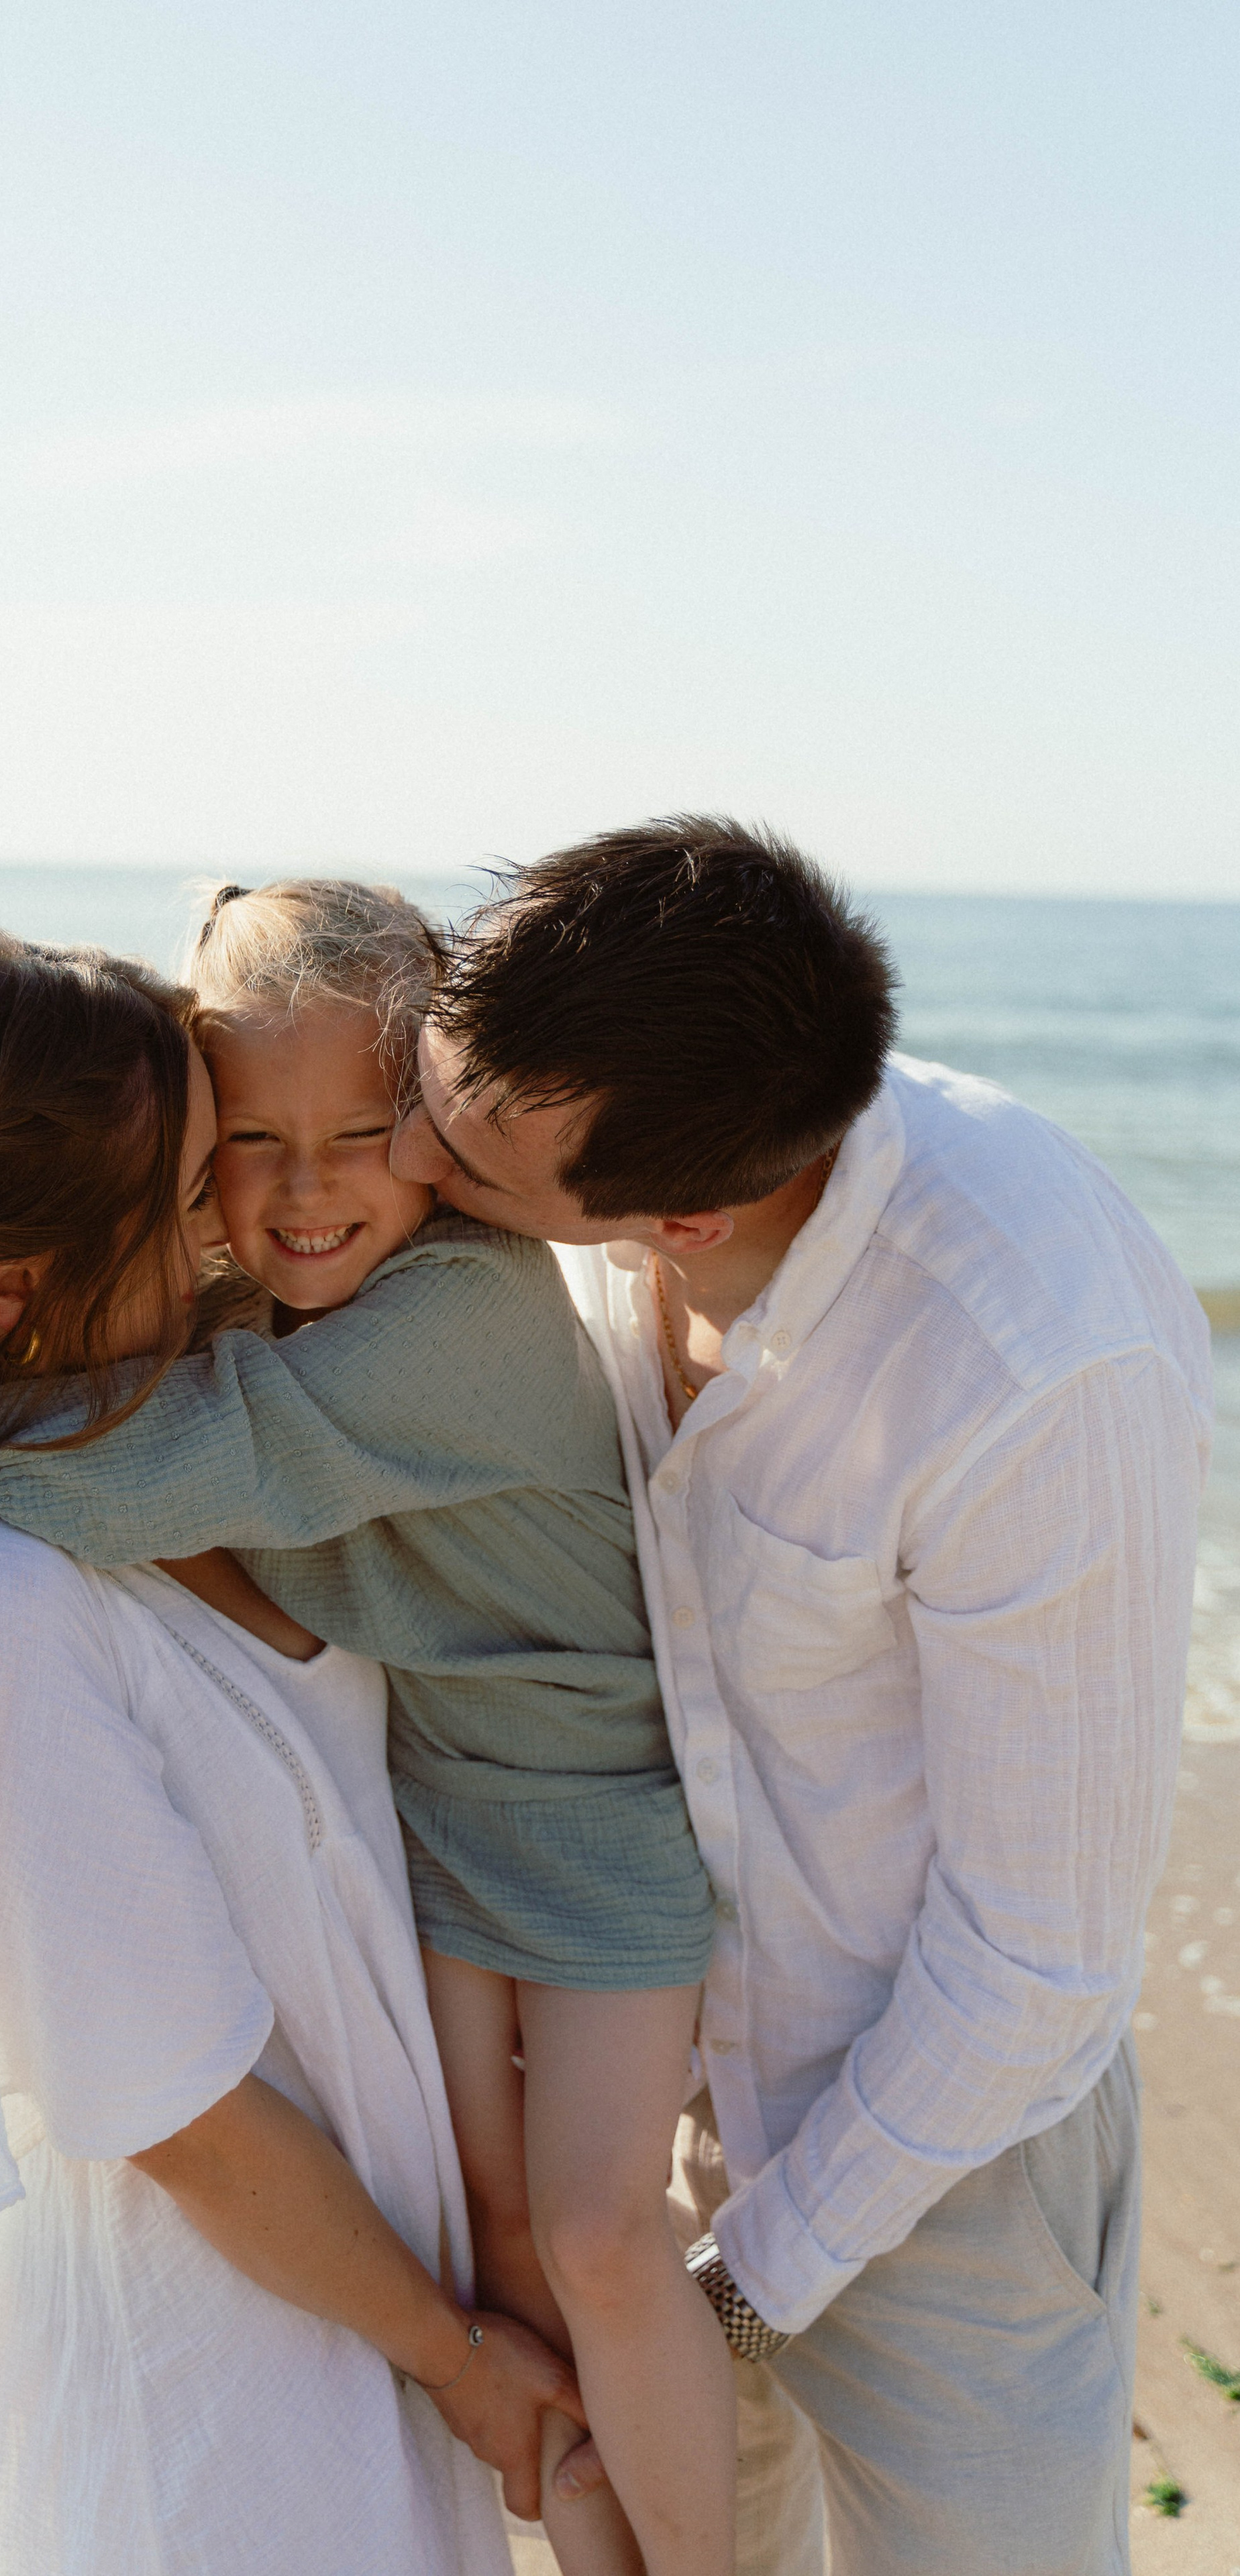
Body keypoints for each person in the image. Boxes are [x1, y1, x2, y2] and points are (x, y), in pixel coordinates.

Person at [0, 878, 737, 2576]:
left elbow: (241, 1442)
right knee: (549, 2241)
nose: (263, 1208)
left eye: (356, 1135)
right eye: (218, 1162)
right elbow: (176, 2105)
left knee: (593, 2237)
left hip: (537, 1941)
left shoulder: (373, 1343)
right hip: (204, 2419)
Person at [388, 815, 1215, 2575]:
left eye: (458, 1159)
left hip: (939, 2162)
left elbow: (1032, 1967)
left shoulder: (1029, 1362)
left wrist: (730, 2294)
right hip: (636, 2095)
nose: (406, 1158)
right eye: (424, 1091)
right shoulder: (607, 1114)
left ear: (679, 1218)